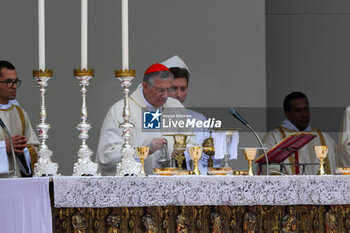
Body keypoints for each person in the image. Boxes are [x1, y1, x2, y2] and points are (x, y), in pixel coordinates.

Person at [96, 63, 186, 175]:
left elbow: (192, 142)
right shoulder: (121, 110)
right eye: (160, 90)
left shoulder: (176, 107)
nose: (165, 96)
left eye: (168, 90)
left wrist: (182, 152)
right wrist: (144, 150)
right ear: (145, 86)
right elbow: (107, 156)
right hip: (132, 186)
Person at [162, 55, 222, 174]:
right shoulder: (151, 119)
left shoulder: (199, 120)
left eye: (183, 89)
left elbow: (213, 162)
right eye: (174, 88)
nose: (179, 94)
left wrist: (188, 155)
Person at [262, 92, 336, 175]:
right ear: (287, 113)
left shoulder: (324, 137)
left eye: (306, 109)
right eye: (298, 110)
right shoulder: (274, 138)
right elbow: (271, 171)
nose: (304, 114)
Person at [0, 60, 39, 177]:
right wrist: (3, 147)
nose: (14, 86)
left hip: (16, 184)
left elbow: (34, 148)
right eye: (8, 82)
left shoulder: (21, 114)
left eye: (16, 81)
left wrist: (24, 151)